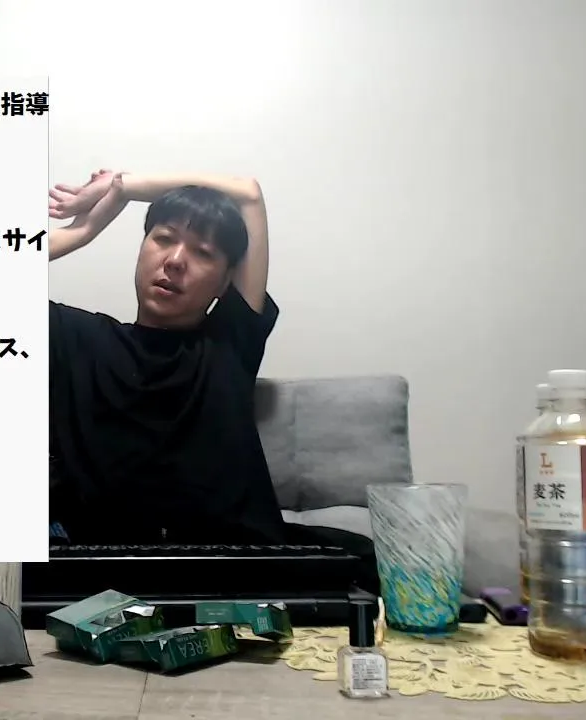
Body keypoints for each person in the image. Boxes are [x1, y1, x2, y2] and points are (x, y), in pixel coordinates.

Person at [46, 169, 377, 582]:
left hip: (235, 573)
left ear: (225, 282)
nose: (175, 261)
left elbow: (248, 194)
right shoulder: (75, 338)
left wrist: (124, 187)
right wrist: (83, 231)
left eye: (203, 252)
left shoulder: (228, 343)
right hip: (104, 578)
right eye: (162, 238)